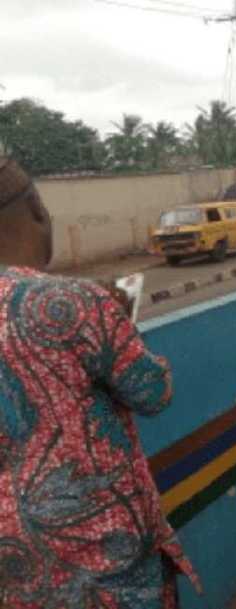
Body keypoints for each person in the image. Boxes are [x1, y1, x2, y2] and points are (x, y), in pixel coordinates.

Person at [0, 157, 200, 609]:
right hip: (103, 557)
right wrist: (118, 326)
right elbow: (153, 392)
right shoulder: (72, 301)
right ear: (36, 208)